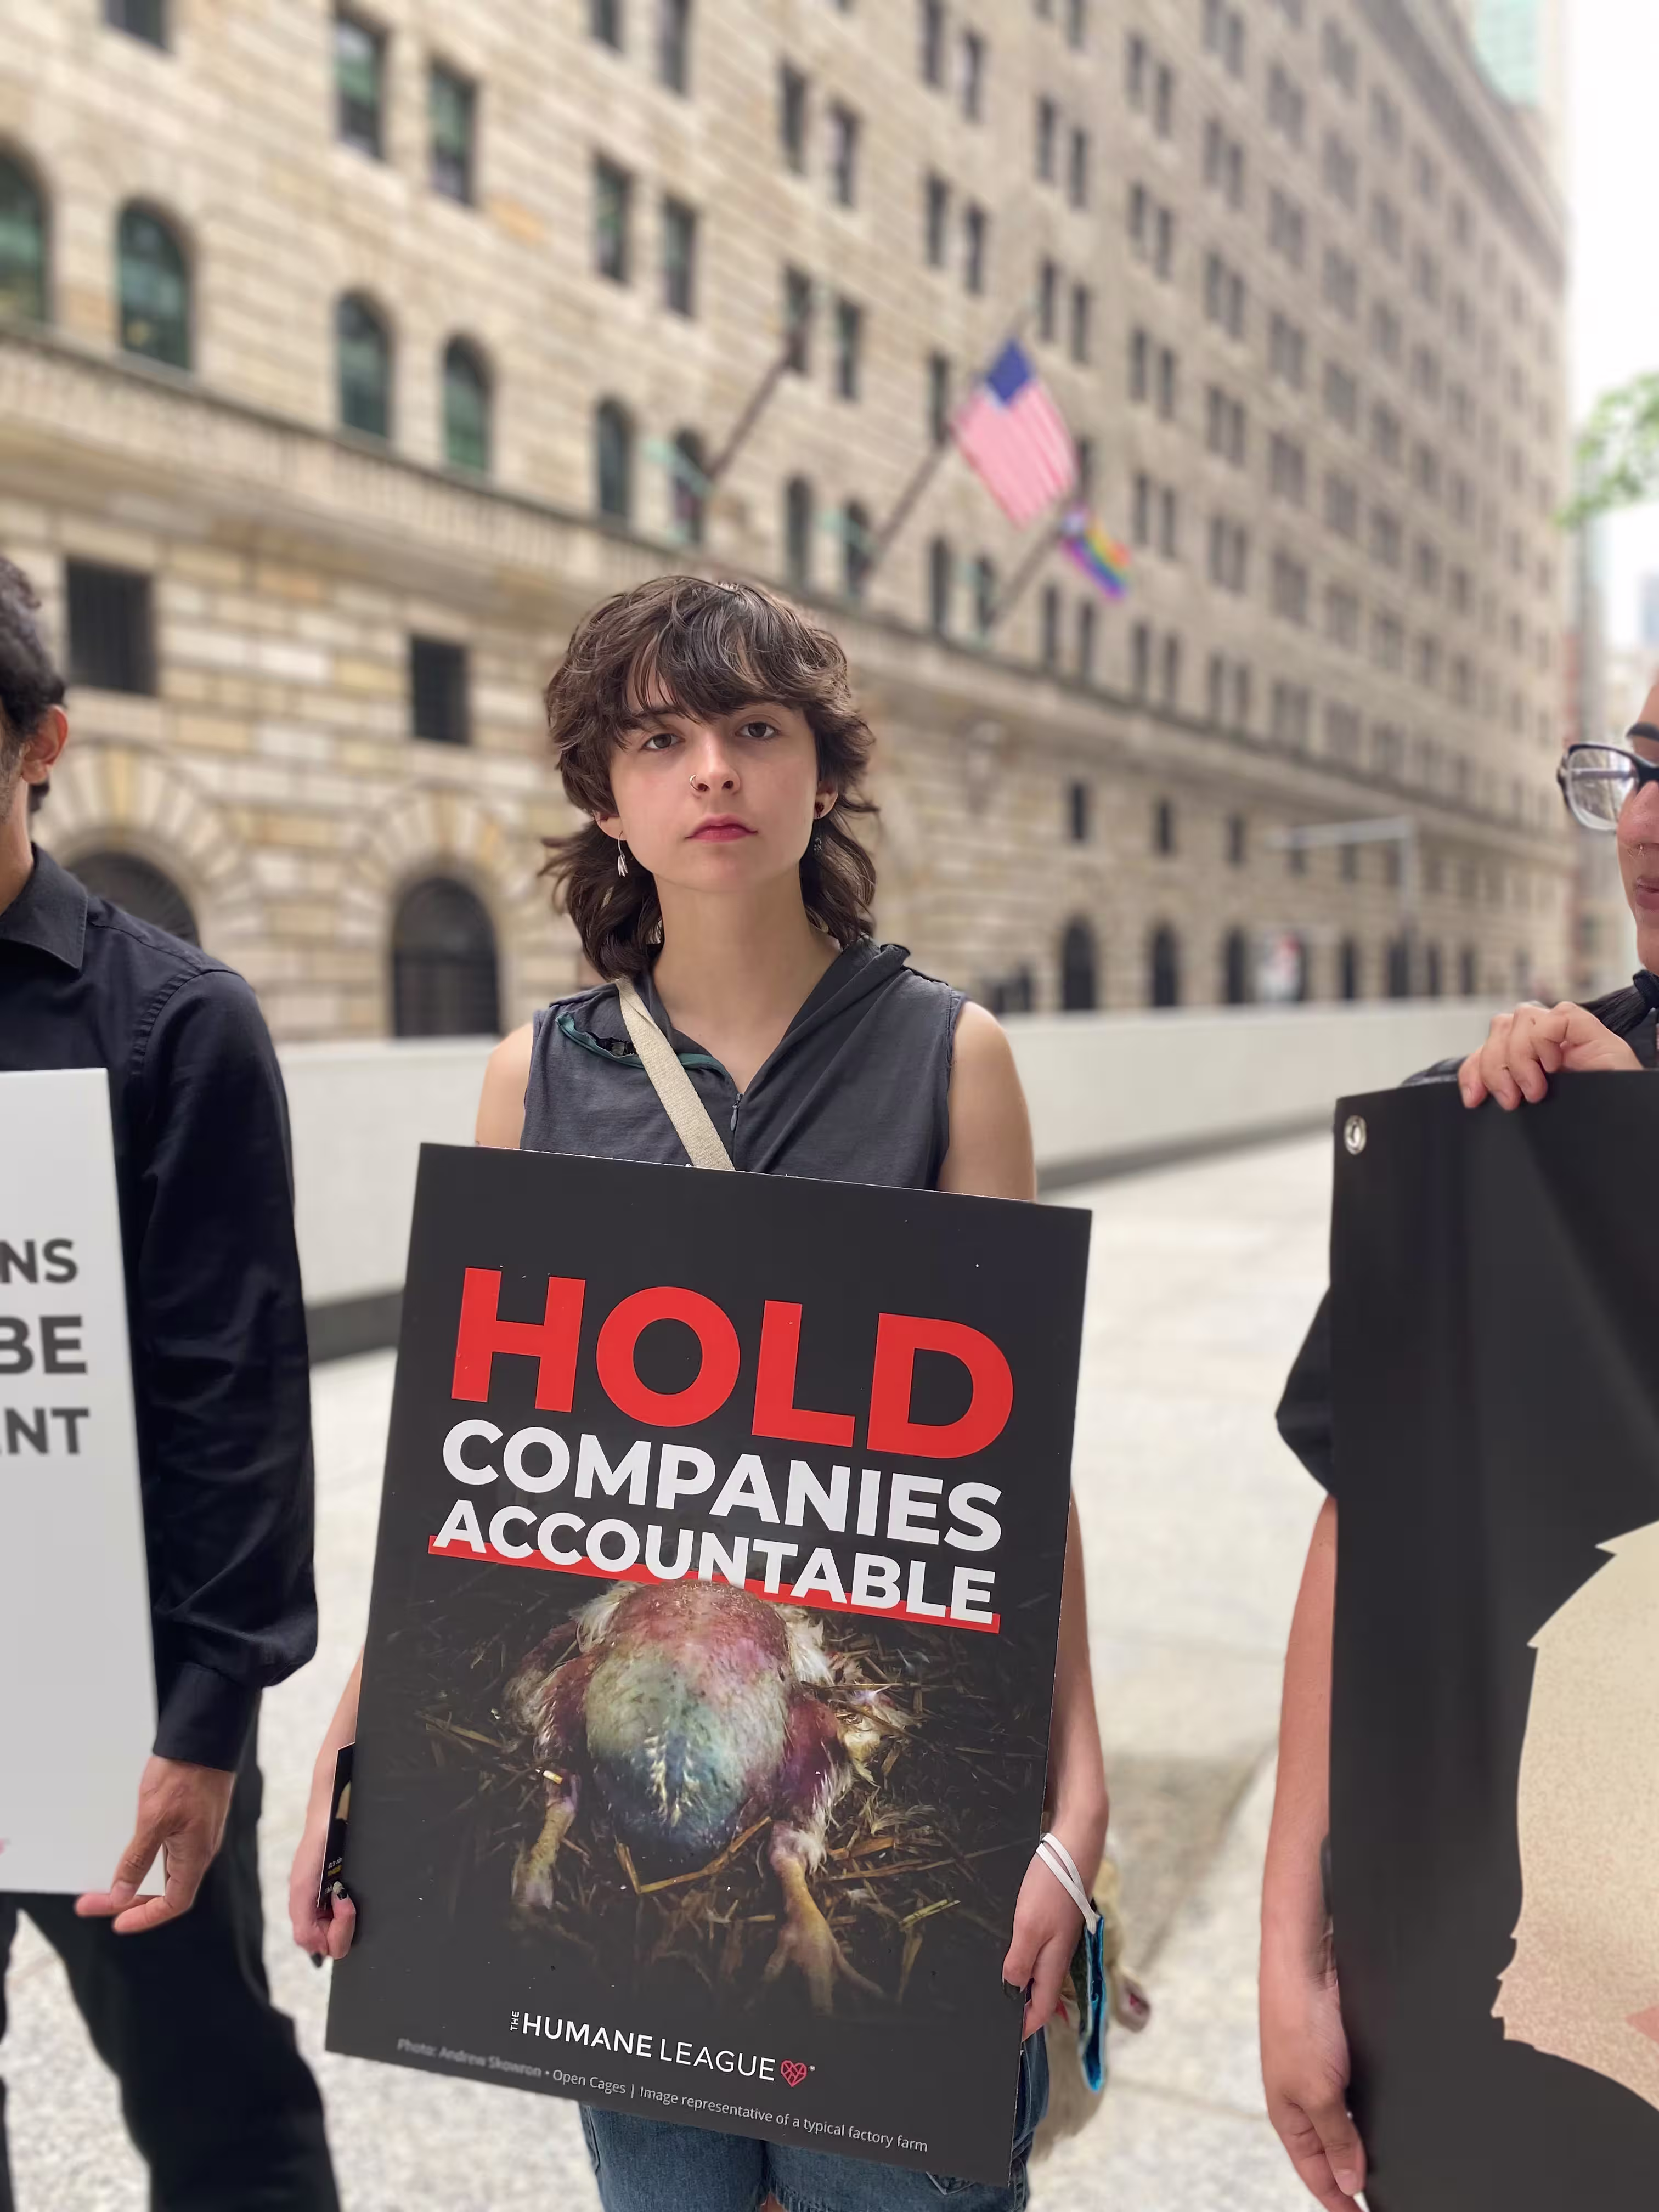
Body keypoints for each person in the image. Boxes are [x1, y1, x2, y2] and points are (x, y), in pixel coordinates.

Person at [290, 573, 1110, 2210]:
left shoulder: (952, 1058)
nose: (714, 772)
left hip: (882, 1770)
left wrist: (1078, 1798)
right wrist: (355, 1742)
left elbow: (1017, 1472)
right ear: (606, 794)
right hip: (628, 1769)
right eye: (661, 738)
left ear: (823, 766)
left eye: (755, 728)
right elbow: (488, 1469)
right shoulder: (541, 1071)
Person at [1259, 708, 1659, 2210]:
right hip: (1531, 2014)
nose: (1650, 818)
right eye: (1643, 766)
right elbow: (1368, 1522)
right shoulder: (1501, 1126)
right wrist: (1292, 1941)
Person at [0, 557, 338, 2211]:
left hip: (108, 1688)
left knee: (216, 2111)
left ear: (36, 743)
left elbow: (238, 1396)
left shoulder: (173, 1023)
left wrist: (206, 1728)